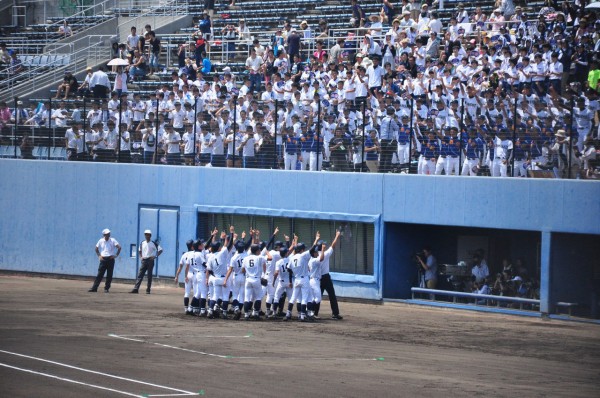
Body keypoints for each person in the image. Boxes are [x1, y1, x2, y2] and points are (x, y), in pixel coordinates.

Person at [313, 230, 343, 320]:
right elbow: (333, 246)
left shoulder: (314, 255)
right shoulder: (324, 254)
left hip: (318, 278)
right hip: (325, 277)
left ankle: (314, 313)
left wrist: (316, 239)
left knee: (318, 296)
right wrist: (337, 236)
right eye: (323, 245)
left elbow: (312, 248)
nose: (325, 246)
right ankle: (335, 313)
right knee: (332, 295)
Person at [131, 229, 163, 294]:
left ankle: (148, 289)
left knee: (149, 275)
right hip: (144, 260)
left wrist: (155, 256)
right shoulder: (142, 243)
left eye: (148, 235)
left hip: (150, 261)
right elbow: (139, 250)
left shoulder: (153, 243)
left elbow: (160, 250)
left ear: (150, 236)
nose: (147, 236)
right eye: (146, 234)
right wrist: (141, 257)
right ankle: (136, 288)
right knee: (140, 275)